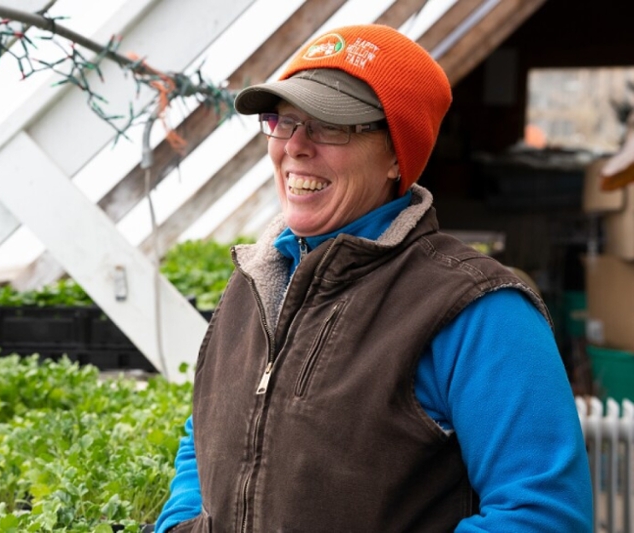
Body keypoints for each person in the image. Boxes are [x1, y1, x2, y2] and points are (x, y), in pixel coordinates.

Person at [155, 24, 592, 532]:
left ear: (395, 156)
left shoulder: (479, 311)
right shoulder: (254, 282)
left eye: (328, 125)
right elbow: (203, 435)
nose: (295, 146)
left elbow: (544, 516)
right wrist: (180, 523)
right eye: (285, 121)